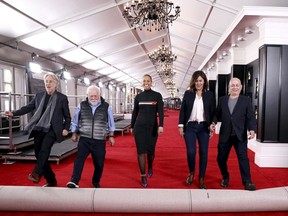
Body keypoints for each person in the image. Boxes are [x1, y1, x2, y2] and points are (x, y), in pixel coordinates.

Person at [4, 72, 71, 187]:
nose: (48, 84)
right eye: (46, 82)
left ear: (56, 84)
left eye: (50, 81)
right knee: (38, 154)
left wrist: (66, 128)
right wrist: (13, 113)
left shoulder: (62, 98)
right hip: (39, 128)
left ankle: (36, 174)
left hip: (53, 129)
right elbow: (28, 107)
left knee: (44, 150)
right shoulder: (39, 95)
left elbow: (67, 116)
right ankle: (51, 180)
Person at [211, 77, 257, 191]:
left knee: (243, 159)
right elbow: (216, 114)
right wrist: (213, 123)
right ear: (229, 87)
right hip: (225, 135)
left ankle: (248, 182)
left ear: (241, 87)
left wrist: (252, 129)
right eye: (233, 85)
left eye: (237, 85)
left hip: (240, 135)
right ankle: (225, 177)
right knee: (221, 159)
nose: (235, 87)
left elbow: (251, 116)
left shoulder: (246, 100)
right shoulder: (222, 100)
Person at [66, 85, 115, 188]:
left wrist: (111, 135)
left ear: (99, 95)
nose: (93, 98)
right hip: (84, 138)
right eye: (91, 96)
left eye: (95, 96)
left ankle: (96, 181)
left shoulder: (106, 106)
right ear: (87, 95)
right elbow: (75, 120)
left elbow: (111, 122)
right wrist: (74, 133)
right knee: (79, 159)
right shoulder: (81, 105)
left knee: (99, 164)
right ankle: (74, 180)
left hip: (99, 140)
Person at [178, 70, 215, 189]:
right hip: (190, 127)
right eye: (196, 81)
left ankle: (201, 178)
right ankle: (192, 172)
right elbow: (183, 110)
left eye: (200, 80)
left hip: (204, 127)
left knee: (204, 153)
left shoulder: (210, 95)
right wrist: (180, 125)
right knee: (191, 152)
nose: (198, 83)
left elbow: (213, 112)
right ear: (193, 82)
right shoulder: (188, 94)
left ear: (204, 81)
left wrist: (212, 124)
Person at [130, 74, 164, 187]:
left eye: (148, 81)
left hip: (152, 127)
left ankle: (150, 166)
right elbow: (135, 112)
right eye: (144, 81)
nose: (146, 82)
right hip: (139, 127)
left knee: (150, 152)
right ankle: (143, 176)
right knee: (140, 152)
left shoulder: (157, 96)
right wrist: (132, 126)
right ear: (142, 82)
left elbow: (161, 112)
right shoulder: (138, 97)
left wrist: (161, 125)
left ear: (151, 82)